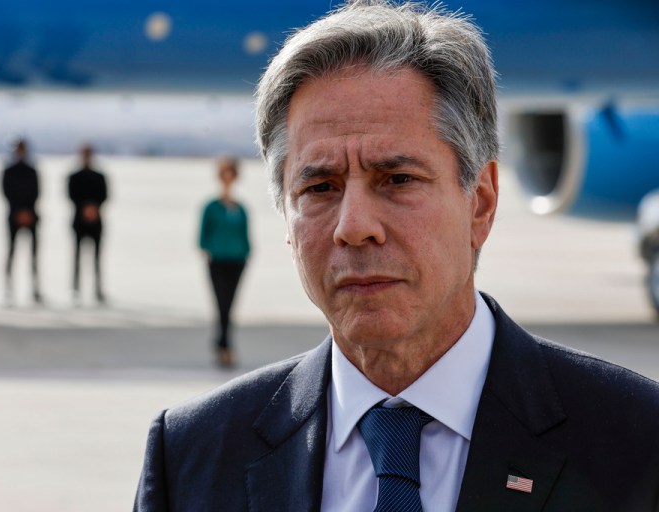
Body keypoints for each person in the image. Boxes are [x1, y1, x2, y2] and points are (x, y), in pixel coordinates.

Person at [134, 2, 659, 511]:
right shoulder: (190, 458)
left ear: (481, 202)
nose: (354, 227)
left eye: (398, 179)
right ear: (286, 222)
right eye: (319, 187)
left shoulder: (637, 444)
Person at [198, 158, 250, 367]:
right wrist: (209, 251)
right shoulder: (211, 207)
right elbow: (202, 235)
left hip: (237, 260)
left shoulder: (240, 208)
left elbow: (245, 234)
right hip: (217, 260)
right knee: (221, 304)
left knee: (231, 304)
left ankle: (222, 343)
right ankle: (225, 346)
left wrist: (246, 253)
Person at [2, 138, 42, 304]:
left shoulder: (32, 170)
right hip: (14, 216)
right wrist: (18, 211)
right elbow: (6, 192)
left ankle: (35, 289)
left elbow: (37, 192)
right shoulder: (9, 171)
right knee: (11, 252)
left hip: (31, 215)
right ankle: (8, 288)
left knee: (34, 255)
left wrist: (27, 212)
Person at [67, 143, 108, 304]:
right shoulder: (74, 176)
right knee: (76, 257)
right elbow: (71, 196)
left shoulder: (99, 176)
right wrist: (84, 209)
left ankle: (97, 289)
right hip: (79, 222)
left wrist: (94, 209)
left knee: (97, 258)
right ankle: (76, 289)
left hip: (96, 222)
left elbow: (105, 196)